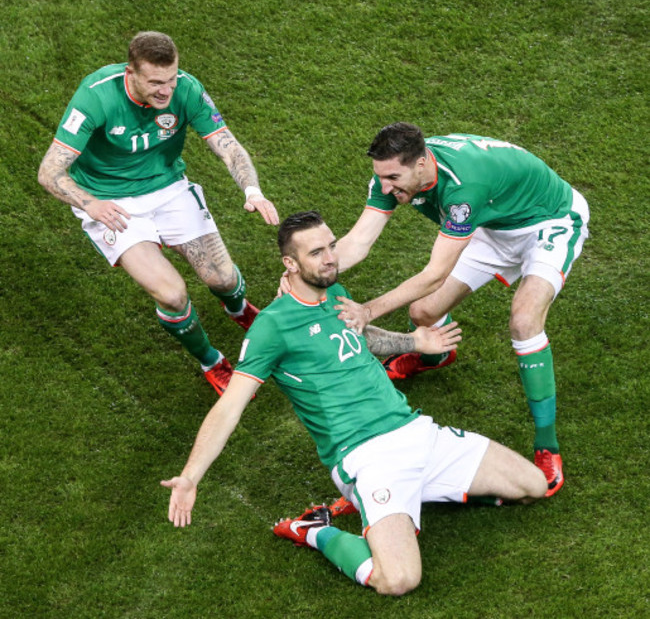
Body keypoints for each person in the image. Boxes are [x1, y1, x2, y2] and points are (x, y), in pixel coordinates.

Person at [161, 211, 547, 596]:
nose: (330, 257)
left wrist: (415, 343)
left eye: (331, 246)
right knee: (397, 580)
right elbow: (230, 407)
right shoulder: (272, 328)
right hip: (366, 457)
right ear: (290, 264)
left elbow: (359, 334)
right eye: (316, 252)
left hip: (416, 431)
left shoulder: (335, 293)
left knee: (534, 485)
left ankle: (409, 497)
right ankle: (314, 531)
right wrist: (191, 476)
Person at [333, 123, 590, 497]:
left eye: (393, 178)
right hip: (494, 223)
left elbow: (435, 273)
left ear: (421, 164)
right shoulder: (393, 174)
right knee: (423, 312)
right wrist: (305, 277)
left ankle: (547, 445)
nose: (386, 188)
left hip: (548, 220)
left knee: (523, 319)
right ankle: (438, 356)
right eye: (381, 178)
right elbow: (357, 241)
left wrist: (368, 311)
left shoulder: (463, 190)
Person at [38, 31, 279, 395]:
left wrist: (252, 190)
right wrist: (92, 204)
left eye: (170, 79)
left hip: (169, 190)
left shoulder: (186, 88)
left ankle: (238, 308)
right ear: (130, 72)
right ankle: (211, 362)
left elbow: (228, 146)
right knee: (171, 295)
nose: (166, 91)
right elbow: (49, 171)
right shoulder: (96, 95)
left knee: (222, 279)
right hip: (110, 203)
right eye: (155, 82)